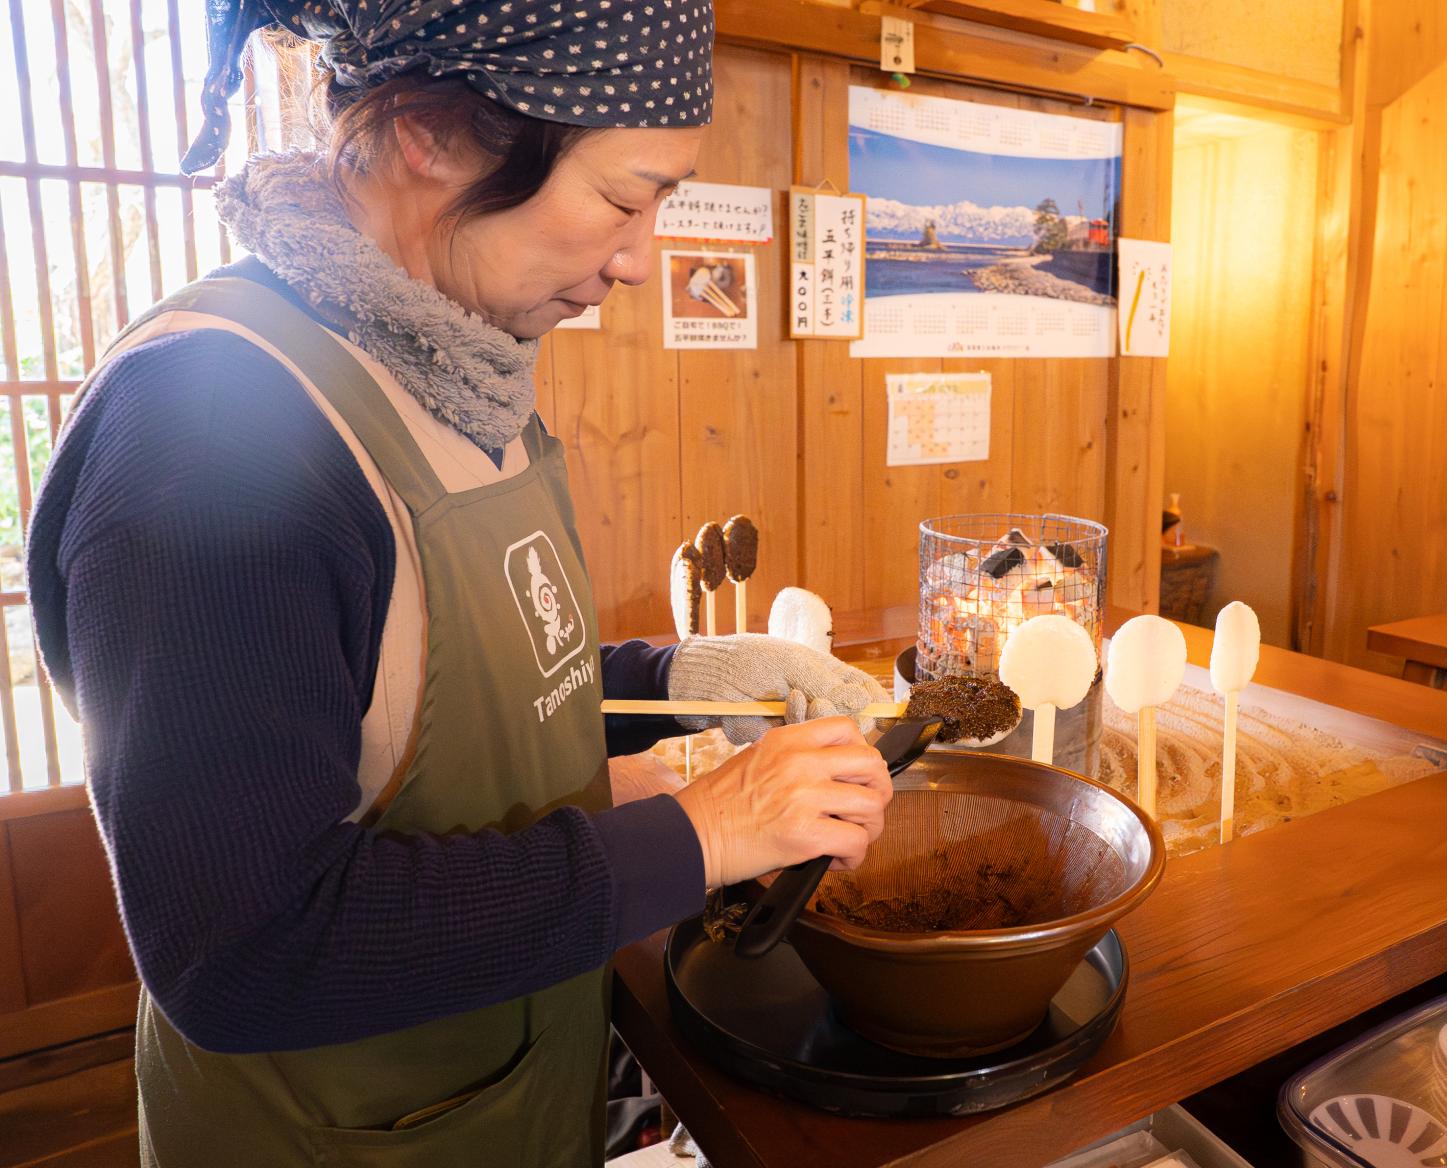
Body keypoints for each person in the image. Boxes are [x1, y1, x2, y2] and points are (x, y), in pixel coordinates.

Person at [24, 2, 892, 1164]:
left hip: (501, 1091)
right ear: (432, 132)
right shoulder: (207, 439)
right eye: (627, 199)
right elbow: (243, 950)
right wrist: (702, 831)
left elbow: (457, 686)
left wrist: (685, 677)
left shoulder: (455, 364)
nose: (639, 259)